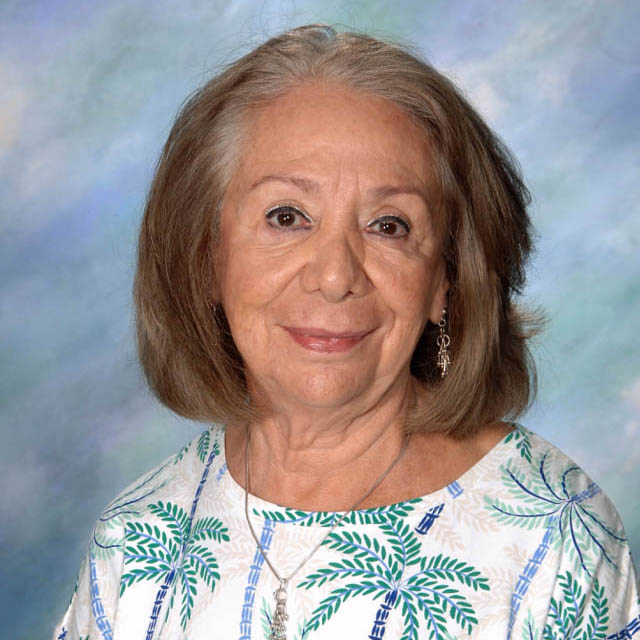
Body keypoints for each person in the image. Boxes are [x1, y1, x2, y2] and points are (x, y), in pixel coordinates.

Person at [53, 25, 639, 640]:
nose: (335, 277)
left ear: (444, 278)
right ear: (206, 257)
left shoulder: (553, 538)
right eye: (287, 217)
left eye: (389, 225)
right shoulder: (136, 541)